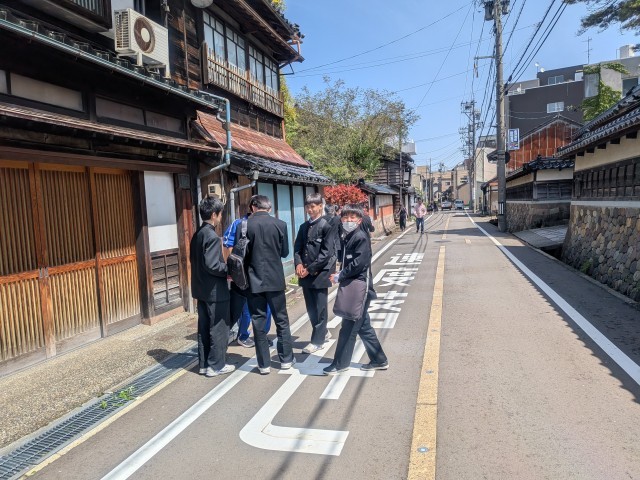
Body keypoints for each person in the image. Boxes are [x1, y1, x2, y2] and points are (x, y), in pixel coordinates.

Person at [323, 205, 388, 375]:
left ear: (359, 220)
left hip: (359, 289)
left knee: (348, 327)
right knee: (363, 326)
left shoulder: (360, 237)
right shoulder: (348, 236)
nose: (349, 221)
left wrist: (340, 275)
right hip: (356, 287)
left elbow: (359, 264)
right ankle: (379, 360)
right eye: (345, 217)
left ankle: (340, 364)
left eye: (352, 218)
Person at [244, 195, 294, 374]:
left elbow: (241, 254)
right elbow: (285, 252)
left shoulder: (245, 225)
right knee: (281, 319)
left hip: (253, 279)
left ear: (253, 207)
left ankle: (264, 364)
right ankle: (286, 359)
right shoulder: (280, 224)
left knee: (258, 321)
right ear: (269, 208)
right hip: (275, 278)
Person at [189, 196, 235, 377]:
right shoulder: (212, 237)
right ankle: (216, 365)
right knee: (218, 328)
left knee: (204, 327)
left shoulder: (197, 234)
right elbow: (213, 265)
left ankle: (204, 364)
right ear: (214, 214)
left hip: (201, 289)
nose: (221, 218)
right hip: (215, 291)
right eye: (220, 214)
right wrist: (228, 270)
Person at [294, 193, 339, 354]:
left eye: (313, 206)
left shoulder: (326, 226)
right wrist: (299, 264)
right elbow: (297, 248)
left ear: (320, 206)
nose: (310, 210)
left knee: (320, 308)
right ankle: (323, 332)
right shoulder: (303, 227)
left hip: (320, 272)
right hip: (305, 272)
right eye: (308, 207)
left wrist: (309, 269)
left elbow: (326, 253)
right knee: (311, 308)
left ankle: (317, 341)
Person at [223, 213, 272, 348]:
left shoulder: (267, 222)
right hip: (243, 274)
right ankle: (243, 335)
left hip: (261, 272)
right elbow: (227, 244)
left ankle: (262, 335)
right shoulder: (238, 223)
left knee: (266, 307)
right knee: (245, 308)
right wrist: (232, 269)